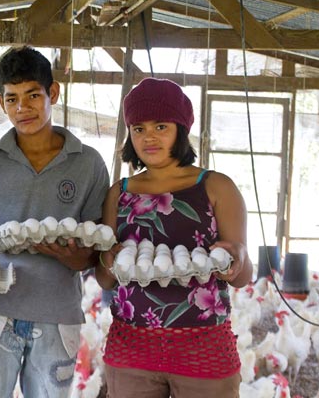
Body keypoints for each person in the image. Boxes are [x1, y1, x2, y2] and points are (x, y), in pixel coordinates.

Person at [0, 46, 110, 397]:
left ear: (53, 93)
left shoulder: (88, 163)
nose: (21, 108)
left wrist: (73, 257)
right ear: (0, 102)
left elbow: (94, 249)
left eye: (32, 95)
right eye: (11, 99)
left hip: (57, 316)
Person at [95, 78, 252, 398]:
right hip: (131, 348)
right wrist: (108, 259)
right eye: (138, 128)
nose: (148, 136)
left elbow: (244, 276)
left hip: (203, 346)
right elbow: (105, 280)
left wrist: (236, 258)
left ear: (181, 129)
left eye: (161, 126)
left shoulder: (216, 187)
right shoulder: (119, 194)